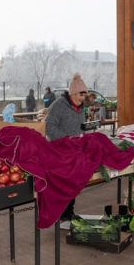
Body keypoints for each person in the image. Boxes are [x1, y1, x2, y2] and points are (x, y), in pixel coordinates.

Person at [45, 73, 88, 221]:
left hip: (75, 152)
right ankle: (61, 213)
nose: (83, 98)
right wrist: (66, 139)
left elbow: (81, 127)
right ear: (73, 93)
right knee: (63, 184)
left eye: (84, 95)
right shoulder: (59, 105)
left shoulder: (81, 108)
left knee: (73, 183)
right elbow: (49, 126)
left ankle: (68, 213)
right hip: (59, 151)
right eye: (81, 94)